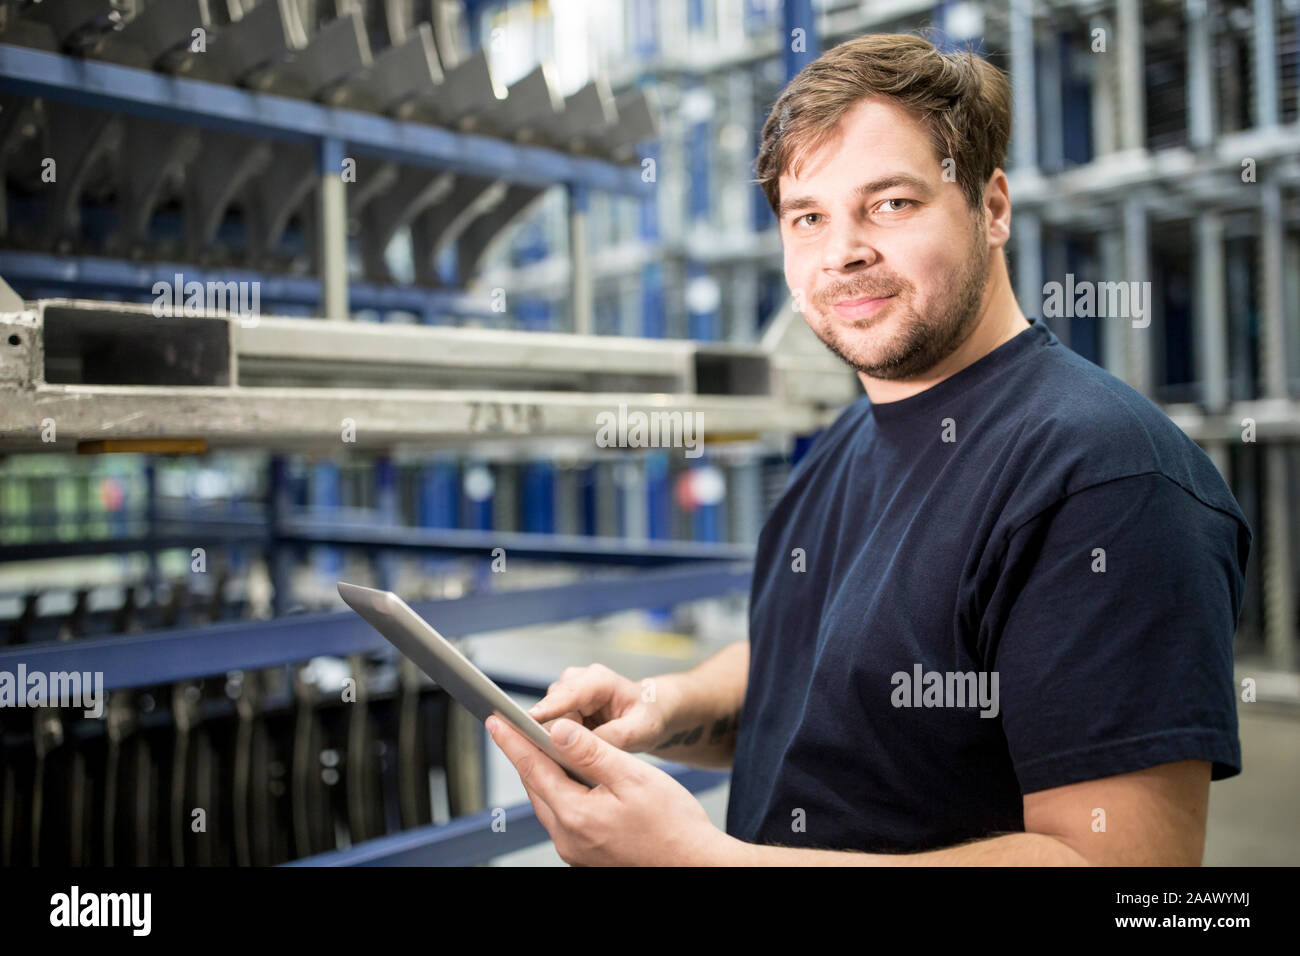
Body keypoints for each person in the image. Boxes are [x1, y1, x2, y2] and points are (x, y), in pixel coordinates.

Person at [486, 32, 1251, 865]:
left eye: (891, 203)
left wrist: (707, 862)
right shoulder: (847, 443)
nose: (843, 251)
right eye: (808, 217)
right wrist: (662, 704)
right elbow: (829, 670)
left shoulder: (1105, 479)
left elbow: (1119, 874)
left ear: (992, 207)